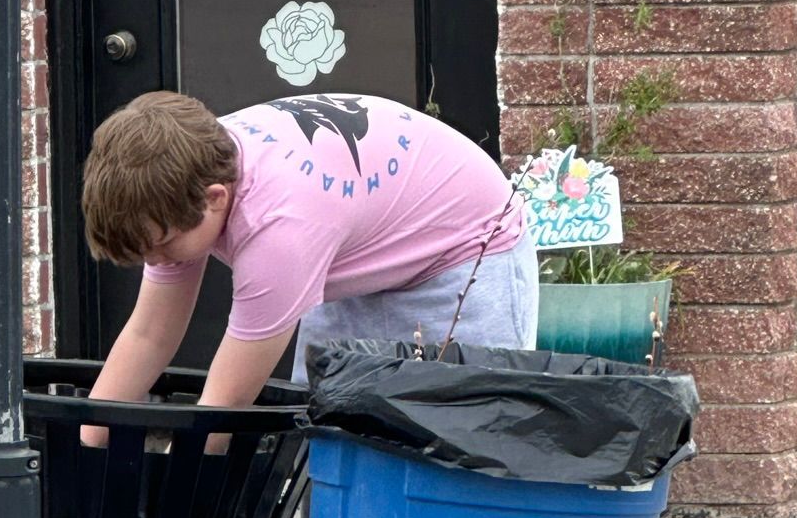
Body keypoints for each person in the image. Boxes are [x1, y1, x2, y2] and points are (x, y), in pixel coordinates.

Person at [80, 90, 537, 428]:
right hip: (363, 247)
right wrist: (83, 444)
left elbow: (224, 405)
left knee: (463, 438)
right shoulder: (179, 180)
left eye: (161, 246)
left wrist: (169, 501)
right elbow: (149, 334)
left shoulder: (280, 229)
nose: (156, 260)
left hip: (464, 251)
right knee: (325, 446)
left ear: (215, 198)